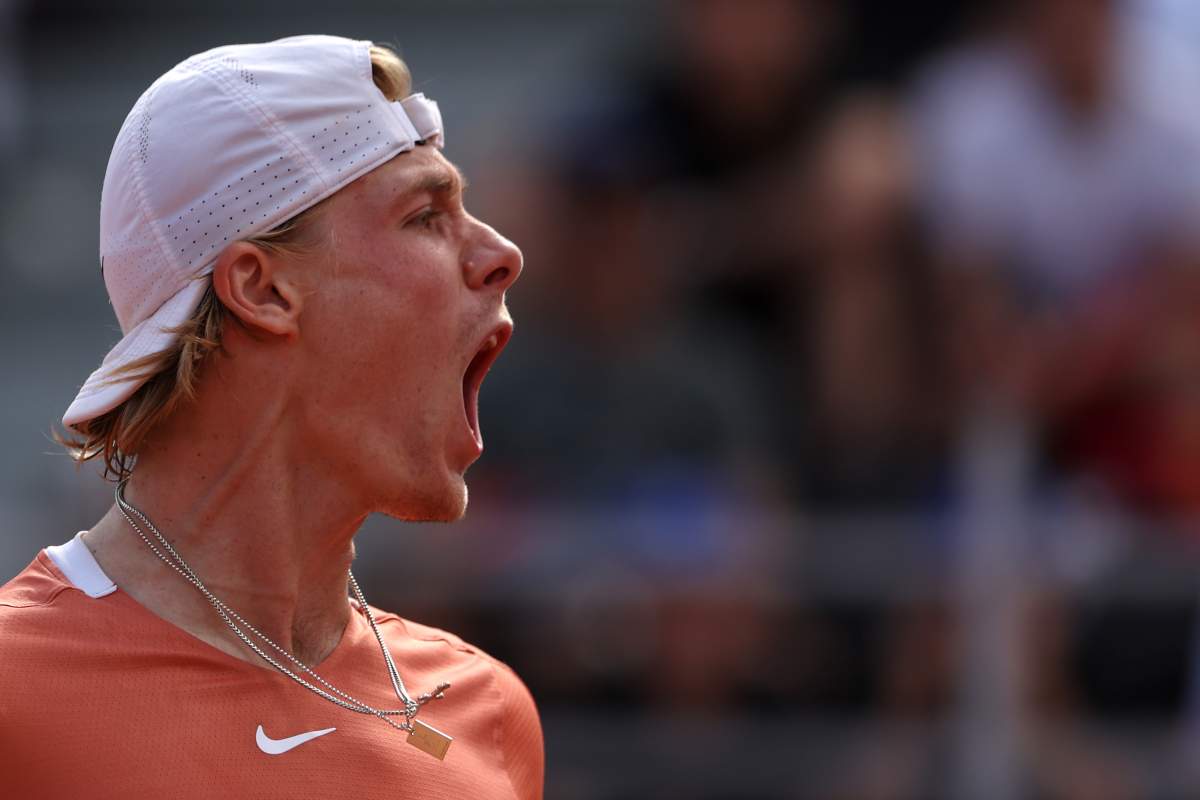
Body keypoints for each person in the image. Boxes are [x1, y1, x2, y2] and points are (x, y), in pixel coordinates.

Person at [0, 35, 541, 799]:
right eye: (425, 215)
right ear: (261, 289)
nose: (501, 252)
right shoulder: (13, 700)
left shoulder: (487, 712)